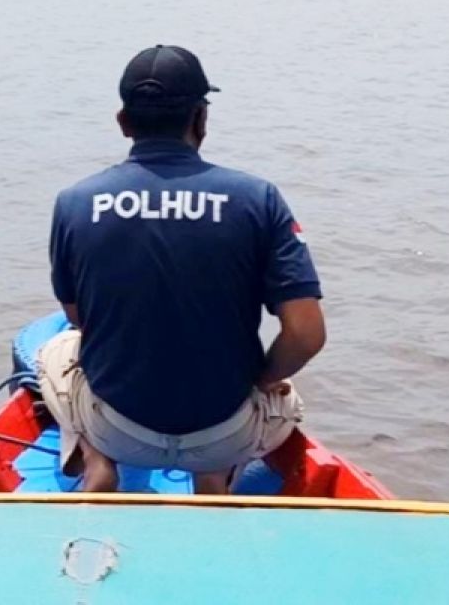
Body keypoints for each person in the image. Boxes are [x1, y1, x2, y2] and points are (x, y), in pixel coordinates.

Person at [39, 45, 327, 494]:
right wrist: (263, 379)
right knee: (283, 391)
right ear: (201, 119)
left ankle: (98, 463)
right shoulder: (258, 199)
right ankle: (212, 478)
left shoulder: (74, 203)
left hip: (120, 431)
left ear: (123, 122)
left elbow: (80, 318)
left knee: (56, 352)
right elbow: (306, 335)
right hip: (223, 434)